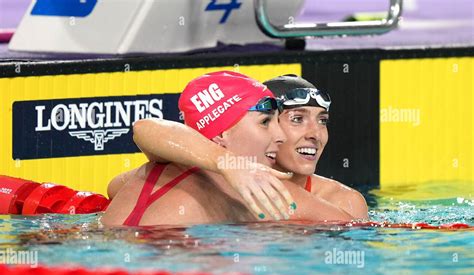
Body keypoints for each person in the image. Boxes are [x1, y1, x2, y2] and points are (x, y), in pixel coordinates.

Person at [101, 71, 352, 226]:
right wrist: (231, 165)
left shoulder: (153, 171)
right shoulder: (256, 188)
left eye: (323, 121)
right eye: (266, 122)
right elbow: (146, 128)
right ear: (221, 134)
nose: (279, 135)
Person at [263, 75, 368, 219]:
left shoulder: (343, 202)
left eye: (322, 120)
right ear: (265, 126)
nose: (316, 134)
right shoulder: (230, 187)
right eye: (297, 119)